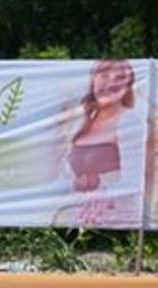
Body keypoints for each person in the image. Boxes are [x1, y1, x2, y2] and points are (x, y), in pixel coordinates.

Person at [56, 57, 144, 228]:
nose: (110, 84)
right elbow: (62, 174)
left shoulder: (129, 120)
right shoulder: (82, 121)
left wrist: (104, 190)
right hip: (76, 217)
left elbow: (135, 178)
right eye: (104, 76)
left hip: (116, 218)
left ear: (127, 88)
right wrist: (77, 183)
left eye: (119, 78)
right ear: (93, 80)